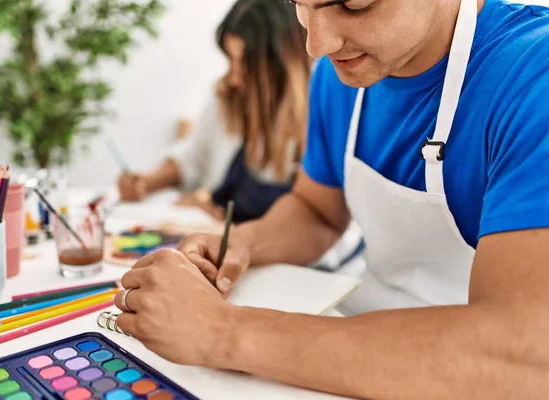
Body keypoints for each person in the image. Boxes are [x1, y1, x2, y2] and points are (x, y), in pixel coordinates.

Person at [114, 0, 549, 398]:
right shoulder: (342, 73)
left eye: (353, 4)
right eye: (301, 4)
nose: (317, 44)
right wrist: (242, 243)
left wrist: (220, 332)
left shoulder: (533, 77)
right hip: (354, 334)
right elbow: (316, 213)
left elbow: (520, 354)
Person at [118, 0, 310, 224]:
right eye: (230, 59)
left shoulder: (321, 115)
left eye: (247, 63)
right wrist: (148, 181)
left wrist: (229, 228)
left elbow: (315, 220)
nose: (235, 77)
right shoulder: (227, 97)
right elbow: (193, 159)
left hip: (289, 255)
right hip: (224, 241)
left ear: (286, 60)